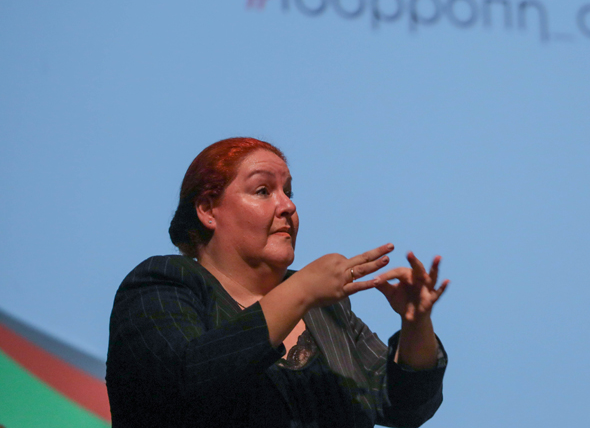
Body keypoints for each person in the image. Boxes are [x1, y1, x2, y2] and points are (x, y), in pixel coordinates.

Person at [106, 137, 448, 428]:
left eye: (288, 191)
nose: (287, 205)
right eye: (263, 190)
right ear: (208, 209)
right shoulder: (163, 283)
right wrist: (300, 290)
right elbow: (184, 383)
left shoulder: (326, 310)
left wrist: (416, 323)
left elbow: (403, 405)